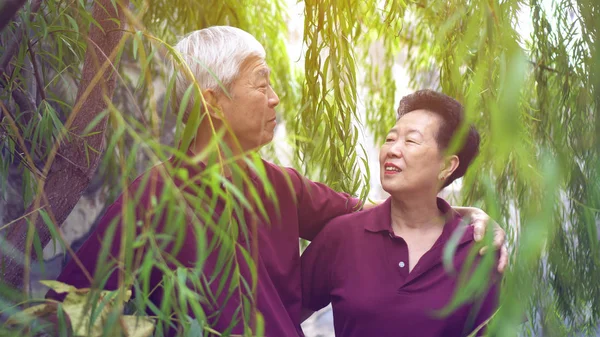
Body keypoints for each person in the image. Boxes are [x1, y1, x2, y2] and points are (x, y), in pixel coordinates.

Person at [47, 27, 506, 336]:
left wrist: (465, 213)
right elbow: (68, 308)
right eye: (261, 84)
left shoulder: (284, 187)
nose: (275, 98)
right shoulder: (153, 197)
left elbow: (389, 215)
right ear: (212, 102)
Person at [301, 89, 500, 337]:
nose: (392, 150)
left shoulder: (477, 249)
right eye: (390, 139)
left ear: (447, 166)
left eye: (411, 141)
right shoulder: (342, 235)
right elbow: (278, 313)